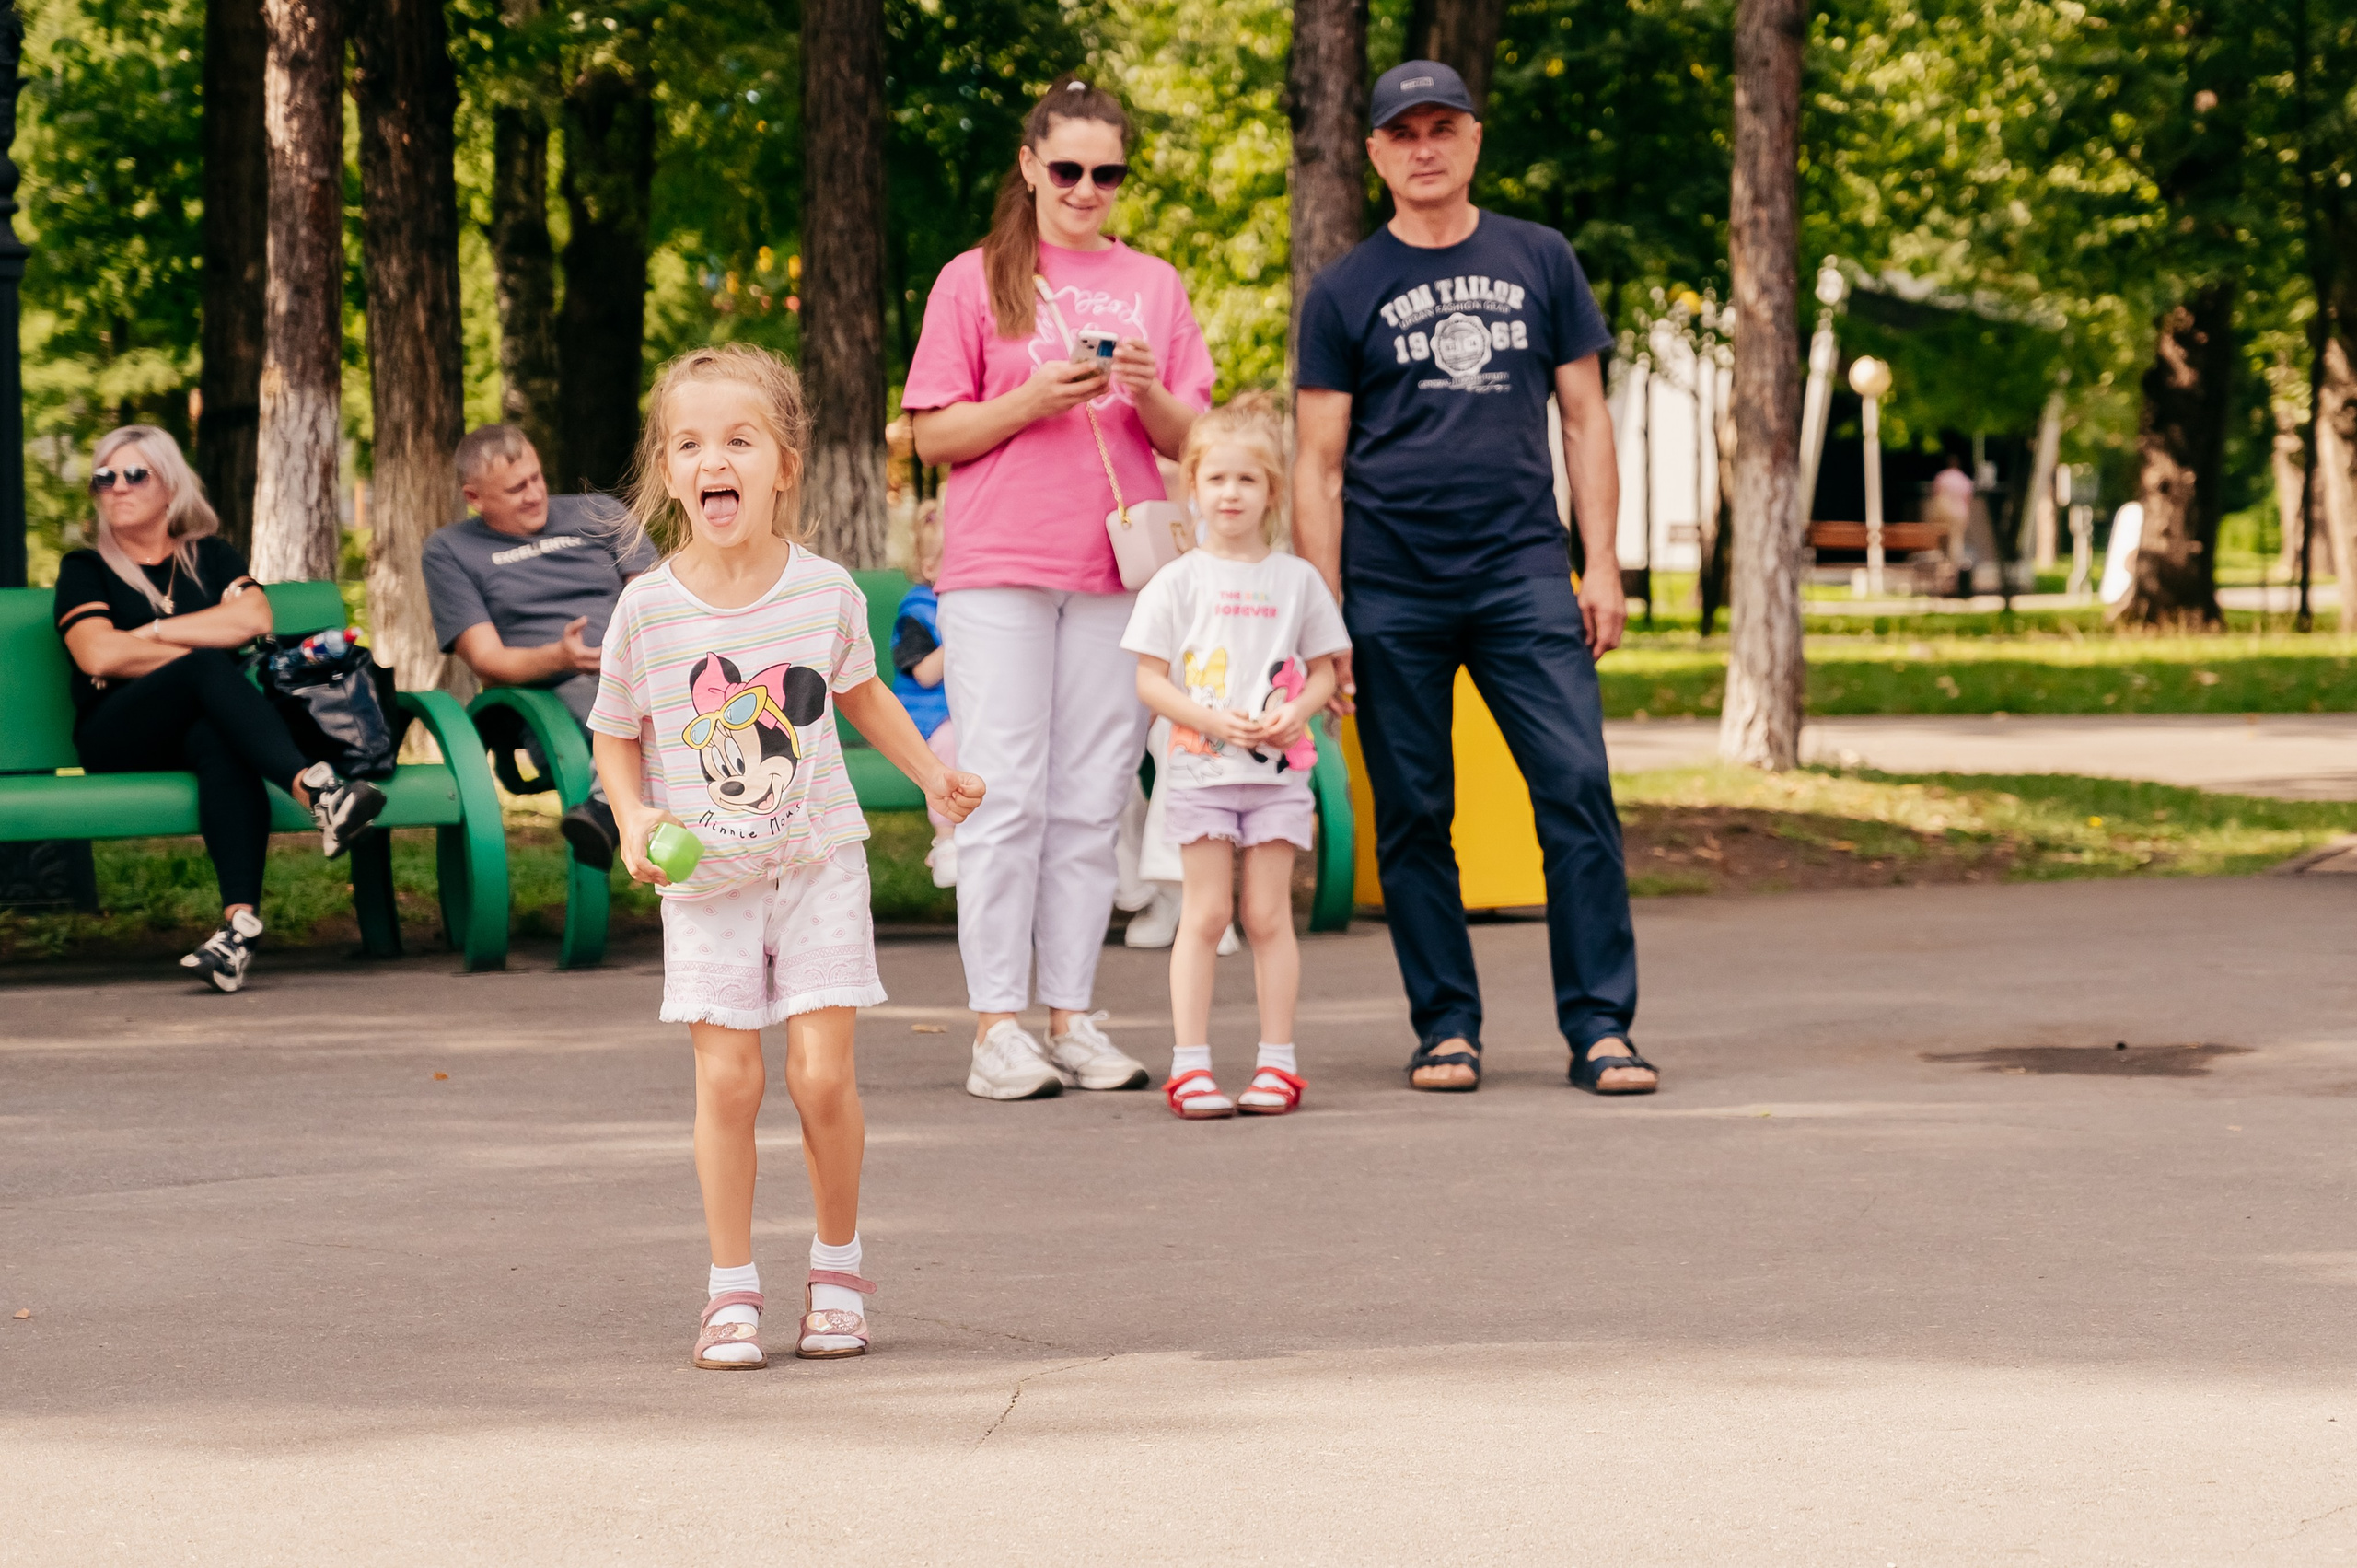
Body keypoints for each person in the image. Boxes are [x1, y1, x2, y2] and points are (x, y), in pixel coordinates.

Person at [589, 343, 985, 1369]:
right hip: (704, 881)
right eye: (689, 444)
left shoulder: (824, 592)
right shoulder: (648, 607)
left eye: (739, 439)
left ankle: (838, 1272)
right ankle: (730, 1292)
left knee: (820, 1077)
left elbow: (862, 692)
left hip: (816, 862)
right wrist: (630, 816)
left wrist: (933, 774)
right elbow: (616, 729)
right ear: (668, 470)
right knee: (728, 1082)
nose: (712, 460)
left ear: (784, 465)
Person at [1293, 61, 1657, 1097]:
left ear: (1473, 140)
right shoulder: (1344, 289)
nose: (1424, 148)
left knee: (1576, 788)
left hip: (1523, 573)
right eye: (1403, 133)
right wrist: (1324, 615)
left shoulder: (1540, 257)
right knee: (1414, 813)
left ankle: (1601, 1027)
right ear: (1375, 153)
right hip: (1390, 586)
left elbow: (1584, 420)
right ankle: (1445, 1025)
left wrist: (1602, 564)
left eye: (1441, 128)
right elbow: (1318, 465)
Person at [903, 74, 1215, 1102]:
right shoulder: (972, 279)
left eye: (1107, 173)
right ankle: (997, 1025)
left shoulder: (1154, 283)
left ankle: (1071, 1016)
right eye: (1069, 168)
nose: (1087, 189)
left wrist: (1148, 391)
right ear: (1031, 166)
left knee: (1091, 799)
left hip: (1117, 570)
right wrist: (1033, 397)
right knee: (1001, 794)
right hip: (998, 566)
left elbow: (1192, 439)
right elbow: (929, 434)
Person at [52, 424, 386, 993]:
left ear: (170, 488)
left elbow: (254, 619)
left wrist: (148, 634)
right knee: (209, 667)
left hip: (196, 729)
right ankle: (318, 793)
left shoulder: (209, 557)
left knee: (219, 739)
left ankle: (237, 931)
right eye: (104, 477)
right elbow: (98, 654)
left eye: (134, 474)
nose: (117, 487)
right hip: (117, 733)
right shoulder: (84, 569)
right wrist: (203, 640)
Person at [1123, 400, 1348, 1119]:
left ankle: (1278, 1064)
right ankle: (1190, 1067)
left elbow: (1324, 672)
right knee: (1207, 913)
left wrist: (1297, 709)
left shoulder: (1298, 580)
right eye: (1216, 478)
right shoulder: (1176, 580)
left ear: (1271, 490)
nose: (1230, 493)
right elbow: (1150, 679)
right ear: (1192, 485)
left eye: (1247, 479)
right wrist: (1208, 718)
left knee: (1267, 915)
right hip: (1200, 773)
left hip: (1278, 778)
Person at [421, 424, 654, 870]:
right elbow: (488, 661)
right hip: (549, 691)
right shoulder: (451, 550)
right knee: (614, 699)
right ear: (474, 498)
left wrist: (633, 649)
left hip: (635, 666)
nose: (534, 495)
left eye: (536, 478)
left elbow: (654, 598)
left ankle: (604, 810)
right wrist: (561, 657)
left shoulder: (599, 512)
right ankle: (608, 808)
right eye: (515, 489)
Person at [888, 504, 958, 888]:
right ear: (931, 568)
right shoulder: (916, 612)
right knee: (950, 743)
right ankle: (945, 840)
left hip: (960, 710)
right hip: (924, 717)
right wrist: (959, 636)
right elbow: (925, 674)